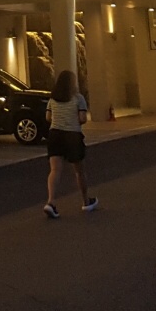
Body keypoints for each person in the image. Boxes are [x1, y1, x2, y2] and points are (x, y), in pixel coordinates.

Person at [43, 69, 96, 218]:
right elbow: (82, 118)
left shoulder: (53, 99)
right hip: (72, 136)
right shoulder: (78, 98)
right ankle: (86, 201)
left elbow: (48, 117)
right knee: (79, 171)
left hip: (55, 135)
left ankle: (51, 202)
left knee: (55, 170)